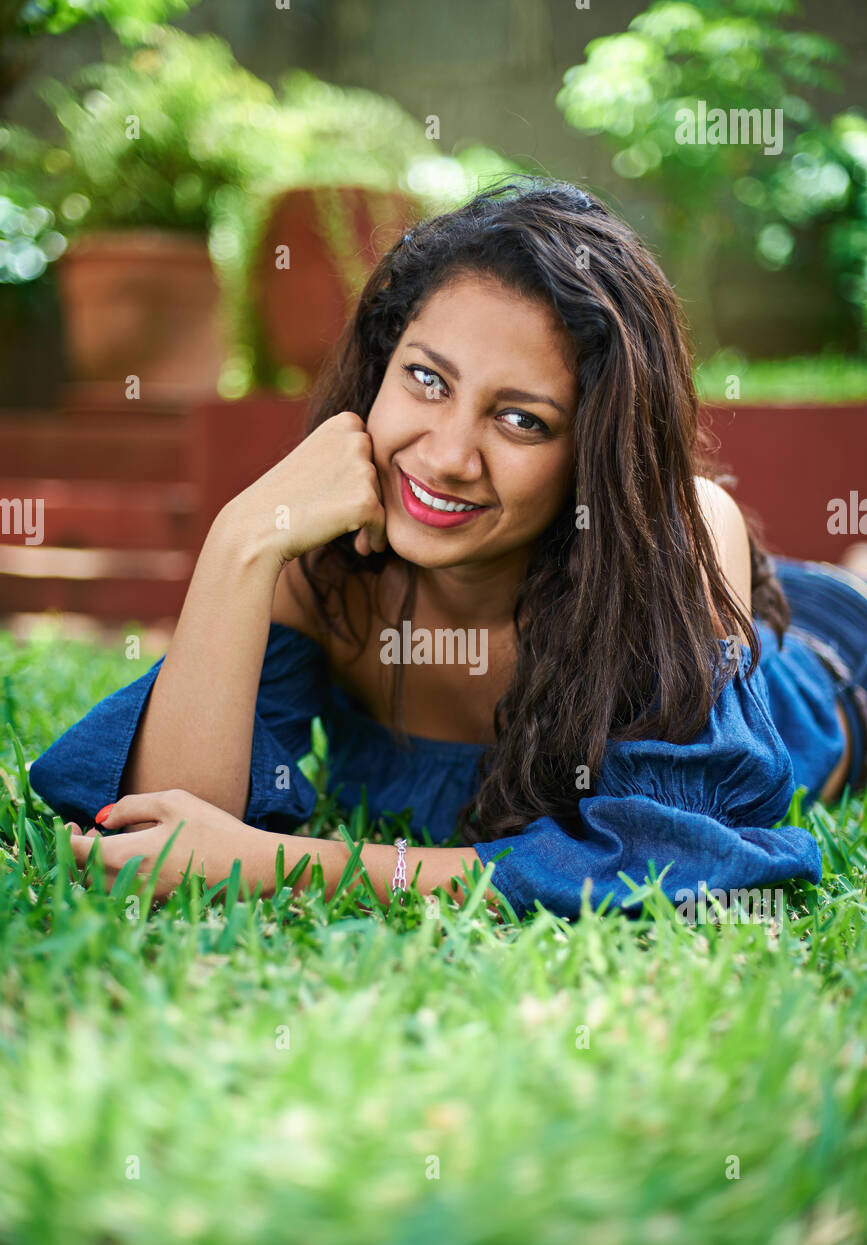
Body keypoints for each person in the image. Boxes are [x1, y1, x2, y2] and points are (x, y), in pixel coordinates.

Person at [28, 180, 867, 916]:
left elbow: (673, 868)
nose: (443, 456)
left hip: (830, 658)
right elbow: (168, 822)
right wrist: (241, 542)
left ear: (592, 455)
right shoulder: (323, 564)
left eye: (521, 420)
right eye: (426, 379)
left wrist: (282, 866)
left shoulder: (677, 530)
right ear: (380, 367)